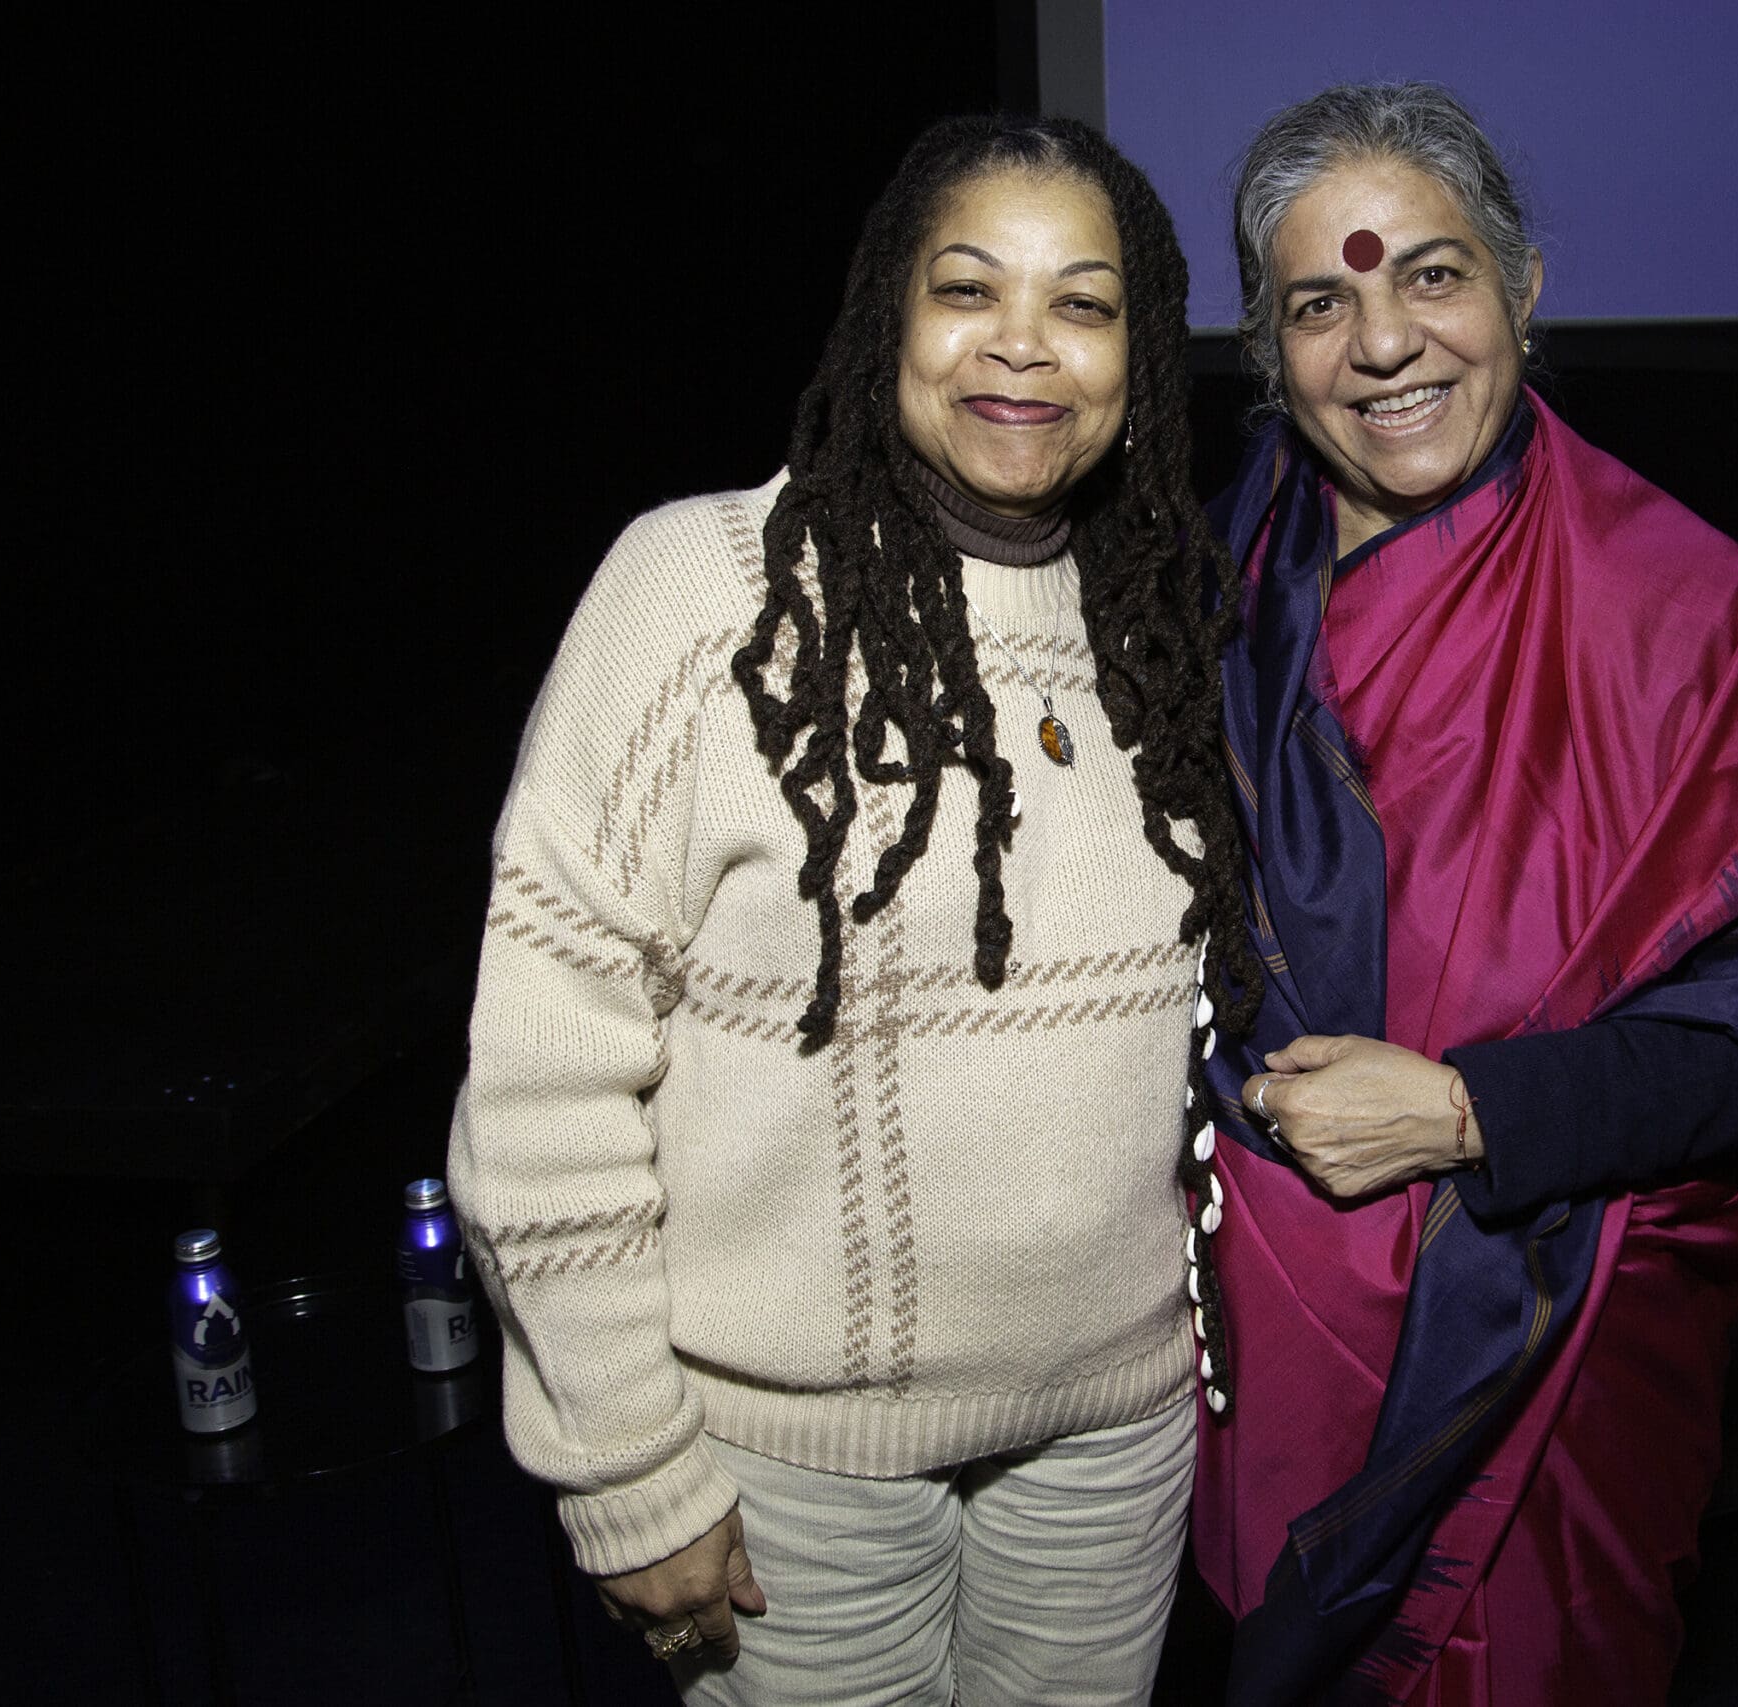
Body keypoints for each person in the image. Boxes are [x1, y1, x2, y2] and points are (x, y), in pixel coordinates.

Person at [446, 112, 1261, 1707]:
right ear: (890, 311)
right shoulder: (702, 590)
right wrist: (623, 1461)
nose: (1021, 343)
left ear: (1142, 357)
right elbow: (543, 1075)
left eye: (1083, 305)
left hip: (1111, 1448)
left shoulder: (1164, 619)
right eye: (969, 288)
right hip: (788, 1468)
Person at [1191, 84, 1738, 1705]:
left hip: (1539, 1362)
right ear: (1269, 349)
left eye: (1432, 276)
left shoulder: (1678, 611)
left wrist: (1468, 1113)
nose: (1384, 344)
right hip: (1251, 1344)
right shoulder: (1224, 565)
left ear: (1523, 285)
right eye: (1320, 304)